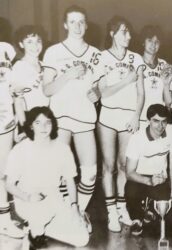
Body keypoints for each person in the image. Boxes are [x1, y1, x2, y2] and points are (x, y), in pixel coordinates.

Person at [42, 5, 102, 232]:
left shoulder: (95, 54)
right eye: (72, 22)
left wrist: (96, 94)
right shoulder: (53, 52)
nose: (77, 26)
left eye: (81, 22)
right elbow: (47, 90)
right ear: (65, 25)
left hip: (85, 118)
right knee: (58, 172)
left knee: (90, 174)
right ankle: (61, 215)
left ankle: (78, 211)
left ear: (86, 25)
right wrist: (67, 75)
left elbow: (98, 90)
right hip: (60, 118)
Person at [5, 106, 89, 249]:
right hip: (29, 197)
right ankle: (36, 231)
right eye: (38, 123)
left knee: (82, 239)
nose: (44, 127)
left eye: (48, 122)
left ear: (53, 124)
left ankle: (42, 228)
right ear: (31, 126)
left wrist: (74, 207)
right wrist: (28, 197)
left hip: (54, 196)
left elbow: (70, 180)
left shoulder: (62, 148)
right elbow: (9, 184)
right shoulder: (21, 149)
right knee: (39, 216)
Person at [97, 16, 145, 230]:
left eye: (129, 32)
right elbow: (104, 93)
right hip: (107, 117)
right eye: (124, 32)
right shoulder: (101, 57)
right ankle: (110, 212)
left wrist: (136, 115)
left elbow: (141, 92)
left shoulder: (136, 58)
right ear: (112, 33)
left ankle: (122, 208)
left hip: (128, 117)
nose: (129, 36)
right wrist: (126, 80)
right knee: (108, 166)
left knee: (124, 165)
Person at [125, 104, 172, 236]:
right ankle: (136, 218)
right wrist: (148, 181)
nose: (160, 126)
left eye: (164, 122)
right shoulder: (137, 138)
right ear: (148, 121)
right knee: (131, 190)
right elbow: (129, 172)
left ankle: (150, 208)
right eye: (156, 121)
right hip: (139, 178)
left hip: (159, 178)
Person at [0, 35, 24, 239]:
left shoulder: (6, 48)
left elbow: (12, 87)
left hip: (5, 119)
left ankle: (4, 218)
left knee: (3, 172)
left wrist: (17, 116)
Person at [12, 25, 49, 127]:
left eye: (38, 41)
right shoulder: (19, 67)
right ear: (21, 44)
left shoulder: (45, 65)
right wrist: (25, 127)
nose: (35, 45)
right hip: (29, 119)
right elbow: (18, 102)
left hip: (47, 117)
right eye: (29, 42)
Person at [139, 25, 172, 121]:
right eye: (150, 40)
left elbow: (168, 102)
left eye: (157, 42)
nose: (153, 45)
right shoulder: (136, 62)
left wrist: (166, 85)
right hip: (139, 118)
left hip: (158, 119)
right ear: (143, 42)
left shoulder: (164, 65)